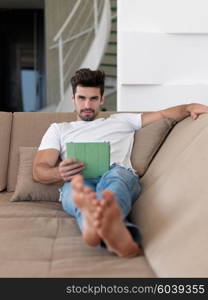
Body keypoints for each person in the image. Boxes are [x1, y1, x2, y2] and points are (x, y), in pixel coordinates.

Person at [33, 68, 208, 258]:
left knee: (115, 179)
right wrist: (59, 173)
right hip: (78, 178)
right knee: (76, 190)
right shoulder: (59, 129)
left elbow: (164, 115)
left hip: (117, 172)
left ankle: (95, 226)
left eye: (93, 98)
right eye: (81, 98)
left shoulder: (122, 121)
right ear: (73, 99)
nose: (87, 104)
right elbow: (39, 170)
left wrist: (188, 107)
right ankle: (115, 233)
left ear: (101, 99)